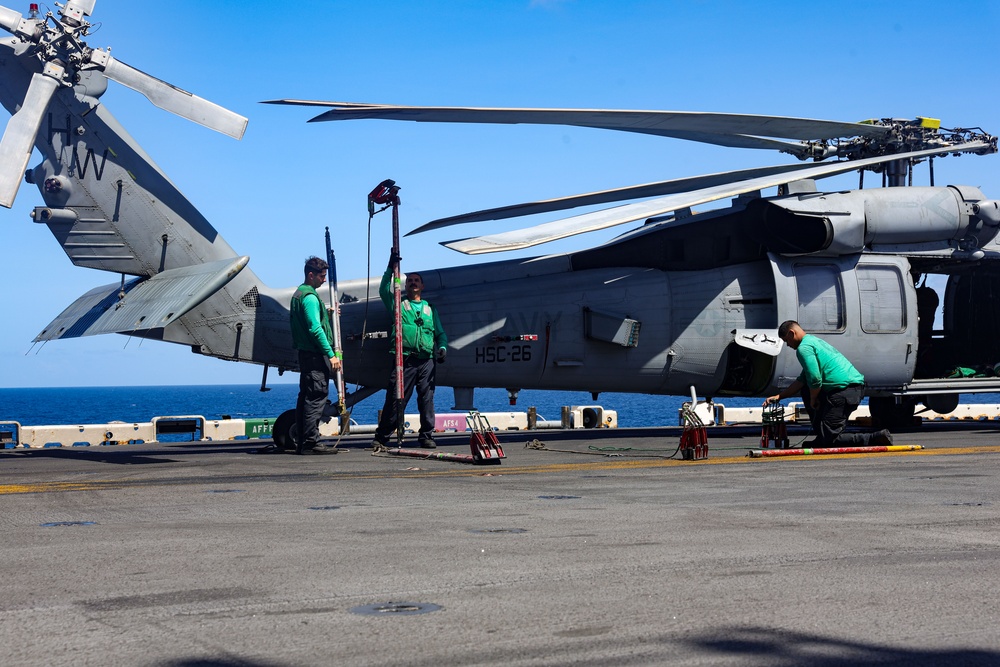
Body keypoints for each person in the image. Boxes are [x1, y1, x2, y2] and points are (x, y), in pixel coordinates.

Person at [765, 320, 893, 448]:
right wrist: (779, 396)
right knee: (806, 390)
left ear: (792, 333)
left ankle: (875, 438)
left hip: (843, 391)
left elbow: (815, 379)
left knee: (831, 439)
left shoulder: (804, 348)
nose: (788, 345)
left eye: (787, 340)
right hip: (852, 389)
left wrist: (813, 398)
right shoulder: (813, 341)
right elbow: (802, 380)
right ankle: (822, 437)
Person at [372, 252, 448, 449]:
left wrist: (442, 348)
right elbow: (383, 290)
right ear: (405, 286)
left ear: (422, 286)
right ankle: (382, 437)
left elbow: (440, 334)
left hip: (426, 361)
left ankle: (426, 436)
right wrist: (390, 267)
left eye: (417, 281)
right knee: (396, 399)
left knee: (427, 400)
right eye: (410, 281)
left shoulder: (430, 309)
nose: (413, 283)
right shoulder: (398, 305)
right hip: (404, 360)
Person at [289, 256, 342, 455]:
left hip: (305, 354)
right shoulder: (310, 297)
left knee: (306, 398)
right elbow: (314, 329)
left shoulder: (299, 294)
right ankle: (311, 442)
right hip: (314, 355)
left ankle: (304, 441)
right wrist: (331, 354)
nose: (324, 280)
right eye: (321, 276)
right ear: (311, 275)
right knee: (316, 397)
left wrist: (326, 315)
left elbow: (309, 322)